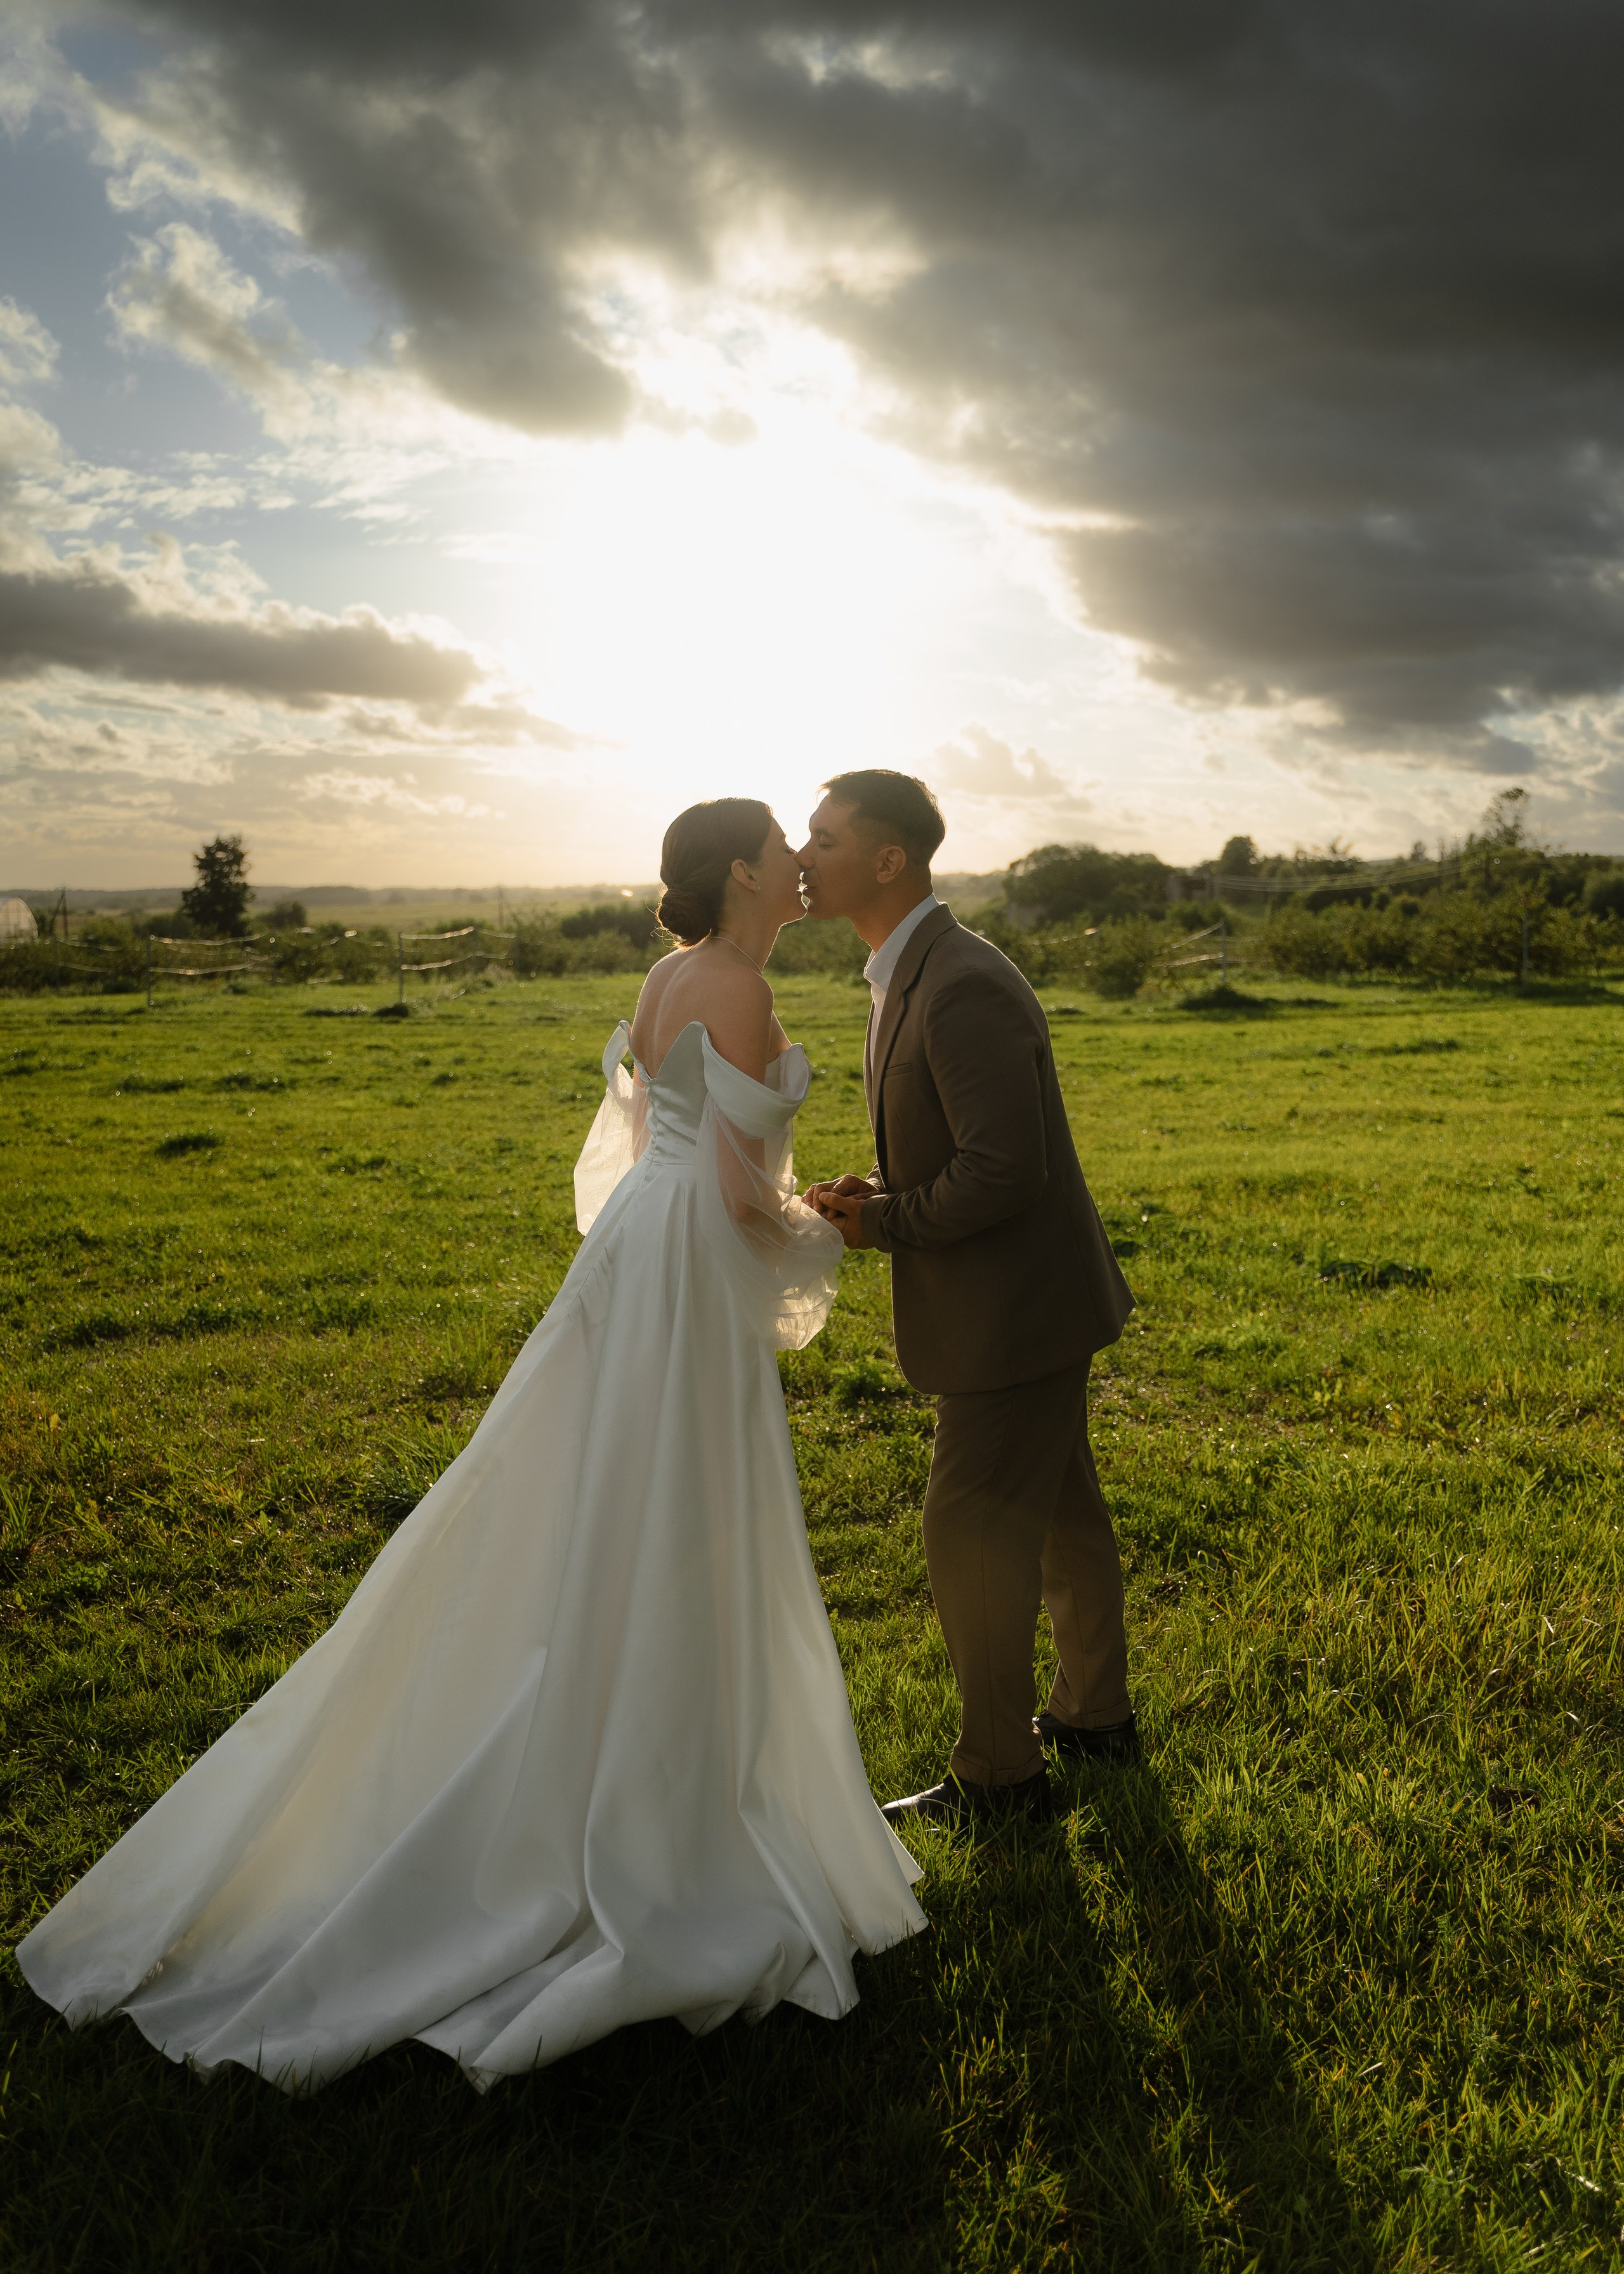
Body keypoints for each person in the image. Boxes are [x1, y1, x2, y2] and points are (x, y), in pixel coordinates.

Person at [18, 799, 924, 2093]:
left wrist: (775, 1204)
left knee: (594, 1493)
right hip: (688, 1267)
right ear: (740, 870)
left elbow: (664, 1149)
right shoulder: (738, 991)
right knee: (675, 1511)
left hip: (639, 1262)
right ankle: (647, 1806)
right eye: (782, 844)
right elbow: (736, 1193)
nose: (797, 862)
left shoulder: (671, 976)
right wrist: (823, 1228)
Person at [801, 770, 1137, 1829]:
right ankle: (1096, 1719)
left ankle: (1001, 1779)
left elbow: (1004, 1171)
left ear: (889, 859)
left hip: (1015, 1318)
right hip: (1025, 1309)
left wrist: (884, 1224)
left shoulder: (960, 983)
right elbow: (962, 1144)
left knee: (968, 1531)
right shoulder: (907, 970)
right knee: (1064, 1516)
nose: (804, 854)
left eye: (823, 836)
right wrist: (882, 1188)